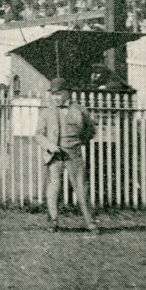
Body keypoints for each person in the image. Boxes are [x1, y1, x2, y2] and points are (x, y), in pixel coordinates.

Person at [35, 77, 98, 234]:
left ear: (68, 93)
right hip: (55, 157)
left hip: (74, 155)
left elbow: (90, 130)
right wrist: (51, 147)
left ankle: (90, 223)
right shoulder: (46, 112)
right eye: (53, 94)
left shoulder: (80, 110)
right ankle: (53, 222)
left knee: (81, 188)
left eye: (59, 94)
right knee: (54, 187)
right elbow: (38, 134)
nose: (55, 97)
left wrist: (78, 143)